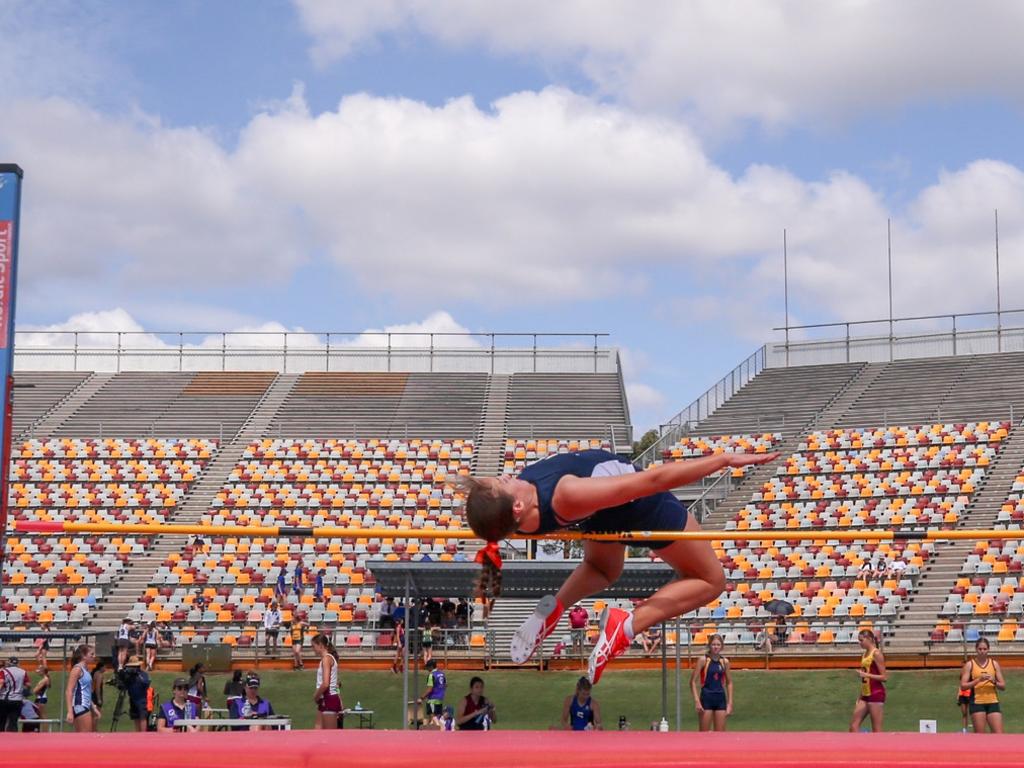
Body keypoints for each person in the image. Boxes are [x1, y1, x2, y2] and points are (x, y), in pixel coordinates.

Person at [457, 448, 777, 684]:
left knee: (603, 570)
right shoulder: (565, 494)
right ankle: (626, 625)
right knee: (710, 580)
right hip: (639, 506)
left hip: (599, 513)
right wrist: (721, 461)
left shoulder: (516, 521)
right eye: (501, 482)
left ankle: (553, 609)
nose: (505, 475)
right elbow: (649, 481)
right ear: (516, 506)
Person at [960, 637, 1005, 734]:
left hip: (993, 701)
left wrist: (994, 681)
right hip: (977, 703)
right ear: (976, 649)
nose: (982, 651)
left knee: (999, 734)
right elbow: (963, 686)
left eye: (984, 649)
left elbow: (1003, 686)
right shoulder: (970, 665)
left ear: (988, 649)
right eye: (980, 649)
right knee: (980, 735)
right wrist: (978, 680)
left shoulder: (994, 664)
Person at [691, 634, 732, 732]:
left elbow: (729, 682)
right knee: (704, 734)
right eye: (713, 644)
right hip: (706, 698)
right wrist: (697, 701)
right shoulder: (703, 660)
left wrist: (730, 703)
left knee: (720, 734)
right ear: (709, 645)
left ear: (721, 646)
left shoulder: (724, 661)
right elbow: (692, 681)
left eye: (718, 644)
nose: (716, 647)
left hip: (720, 698)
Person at [849, 629, 887, 733]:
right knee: (853, 726)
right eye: (859, 640)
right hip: (865, 694)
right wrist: (860, 695)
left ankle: (878, 748)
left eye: (861, 640)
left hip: (876, 693)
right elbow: (864, 679)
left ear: (869, 639)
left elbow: (884, 677)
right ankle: (859, 747)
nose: (859, 643)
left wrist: (866, 674)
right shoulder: (865, 654)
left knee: (877, 730)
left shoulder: (877, 653)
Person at [65, 644, 101, 732]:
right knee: (86, 737)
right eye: (91, 654)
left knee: (82, 738)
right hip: (80, 705)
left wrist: (93, 707)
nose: (94, 656)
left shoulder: (86, 670)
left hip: (85, 705)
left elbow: (87, 691)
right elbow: (69, 691)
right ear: (84, 656)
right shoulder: (77, 669)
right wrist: (70, 711)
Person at [311, 633, 342, 729]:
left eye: (313, 646)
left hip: (328, 699)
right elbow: (336, 685)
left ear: (320, 645)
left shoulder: (326, 659)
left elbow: (325, 684)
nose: (313, 649)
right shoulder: (327, 659)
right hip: (325, 700)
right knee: (318, 731)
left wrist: (315, 696)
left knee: (330, 736)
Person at [121, 655, 152, 732]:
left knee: (143, 717)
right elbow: (124, 684)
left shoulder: (143, 674)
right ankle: (137, 733)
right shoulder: (129, 675)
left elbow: (146, 683)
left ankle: (143, 733)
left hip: (141, 698)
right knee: (136, 717)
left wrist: (138, 675)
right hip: (132, 698)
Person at [0, 657, 28, 731]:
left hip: (5, 699)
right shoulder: (23, 672)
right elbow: (28, 684)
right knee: (13, 721)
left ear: (9, 662)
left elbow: (1, 683)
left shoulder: (4, 671)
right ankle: (13, 739)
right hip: (17, 700)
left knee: (2, 721)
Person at [91, 658, 108, 727]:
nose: (105, 668)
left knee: (93, 715)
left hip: (92, 694)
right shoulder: (99, 675)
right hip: (96, 695)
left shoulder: (95, 673)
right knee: (96, 715)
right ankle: (94, 729)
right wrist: (99, 699)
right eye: (105, 667)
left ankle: (92, 729)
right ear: (101, 667)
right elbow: (98, 687)